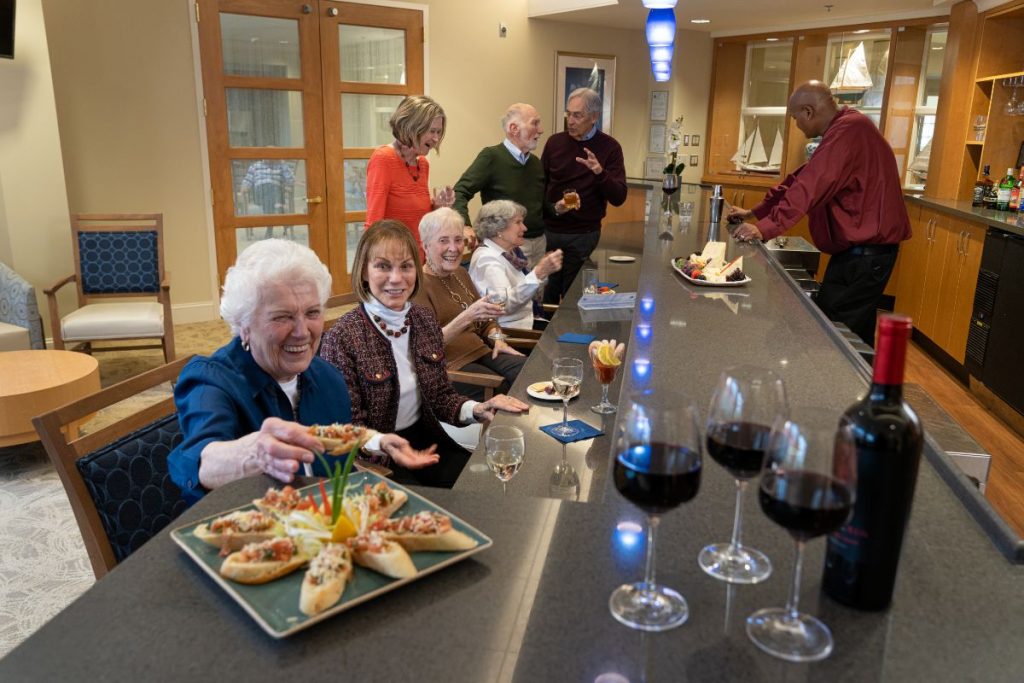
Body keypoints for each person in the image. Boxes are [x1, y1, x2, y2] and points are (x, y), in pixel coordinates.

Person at [168, 239, 438, 505]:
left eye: (312, 313)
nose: (301, 332)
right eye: (282, 316)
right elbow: (201, 460)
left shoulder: (327, 377)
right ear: (244, 324)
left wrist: (375, 440)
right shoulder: (211, 380)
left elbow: (326, 437)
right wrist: (255, 454)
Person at [320, 220, 528, 487]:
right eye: (383, 266)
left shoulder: (423, 321)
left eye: (406, 266)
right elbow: (345, 431)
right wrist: (384, 447)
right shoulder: (343, 338)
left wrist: (477, 408)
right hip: (376, 461)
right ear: (363, 272)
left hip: (427, 439)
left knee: (481, 489)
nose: (396, 278)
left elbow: (441, 396)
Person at [727, 80, 912, 346]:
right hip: (859, 256)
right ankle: (863, 386)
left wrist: (765, 227)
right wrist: (755, 213)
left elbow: (810, 186)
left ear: (809, 112)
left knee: (835, 337)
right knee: (852, 335)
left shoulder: (850, 131)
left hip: (865, 257)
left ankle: (843, 389)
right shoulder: (844, 130)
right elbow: (798, 179)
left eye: (795, 118)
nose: (797, 124)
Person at [413, 207, 527, 400]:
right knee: (505, 389)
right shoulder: (417, 286)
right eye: (443, 240)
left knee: (528, 372)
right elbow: (428, 347)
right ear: (425, 245)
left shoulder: (460, 273)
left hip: (482, 350)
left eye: (458, 240)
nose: (454, 248)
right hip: (449, 367)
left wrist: (498, 338)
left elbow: (487, 320)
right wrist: (467, 316)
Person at [541, 87, 627, 305]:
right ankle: (544, 338)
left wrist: (599, 172)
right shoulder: (554, 143)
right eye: (568, 114)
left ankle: (570, 338)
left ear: (594, 117)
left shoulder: (610, 148)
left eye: (577, 115)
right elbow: (540, 185)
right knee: (546, 295)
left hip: (583, 235)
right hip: (550, 231)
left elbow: (619, 197)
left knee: (574, 298)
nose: (570, 121)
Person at [452, 103, 548, 269]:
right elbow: (460, 192)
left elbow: (539, 204)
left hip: (539, 243)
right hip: (506, 245)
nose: (541, 130)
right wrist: (466, 226)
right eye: (535, 123)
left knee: (535, 294)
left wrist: (557, 208)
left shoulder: (535, 163)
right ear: (513, 128)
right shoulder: (491, 157)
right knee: (508, 294)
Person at [364, 95, 455, 254]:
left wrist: (437, 207)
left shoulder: (422, 164)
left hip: (419, 257)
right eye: (432, 131)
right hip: (394, 260)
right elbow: (374, 224)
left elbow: (418, 221)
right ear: (412, 127)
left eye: (439, 132)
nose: (436, 139)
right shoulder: (383, 159)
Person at [468, 200, 564, 331]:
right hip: (511, 332)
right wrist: (538, 273)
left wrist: (543, 272)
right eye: (518, 222)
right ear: (498, 229)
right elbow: (503, 305)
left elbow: (528, 289)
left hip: (527, 320)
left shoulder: (511, 253)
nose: (524, 228)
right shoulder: (487, 259)